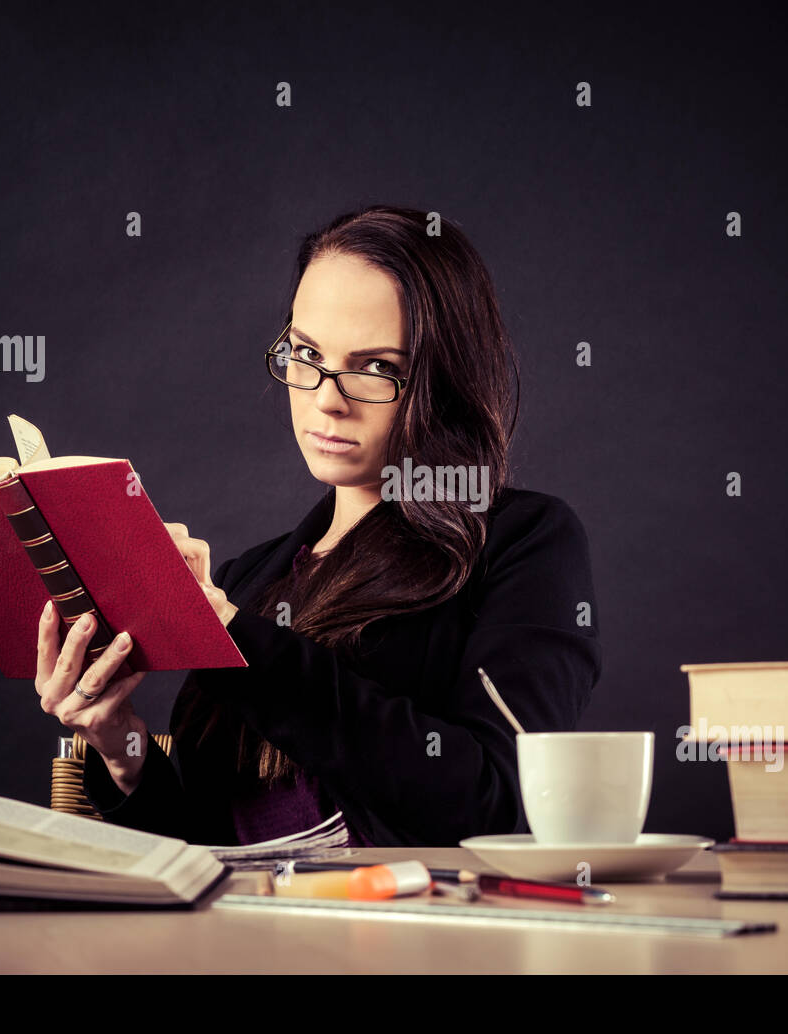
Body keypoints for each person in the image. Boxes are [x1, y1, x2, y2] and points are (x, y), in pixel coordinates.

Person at [33, 204, 601, 847]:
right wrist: (120, 745)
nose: (327, 397)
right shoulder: (248, 579)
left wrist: (236, 641)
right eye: (306, 353)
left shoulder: (522, 542)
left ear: (444, 378)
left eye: (377, 367)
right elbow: (206, 846)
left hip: (400, 935)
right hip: (227, 942)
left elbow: (489, 806)